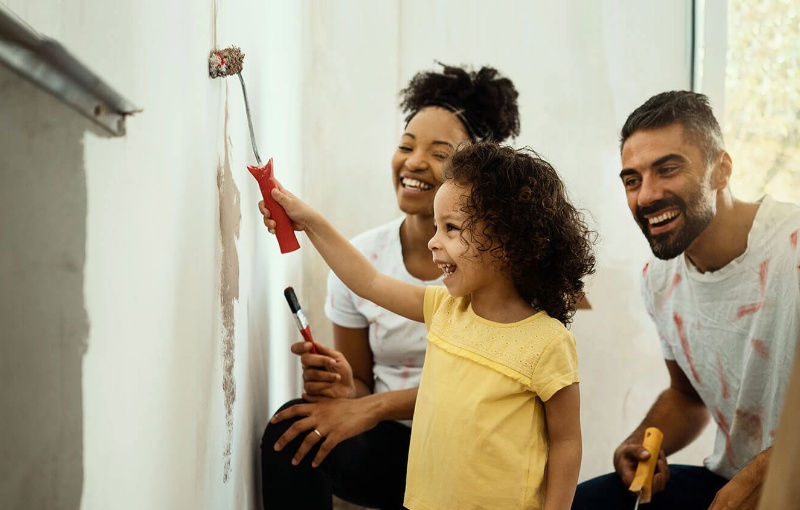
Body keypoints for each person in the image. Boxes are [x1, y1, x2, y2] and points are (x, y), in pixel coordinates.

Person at [261, 141, 596, 509]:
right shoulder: (444, 308)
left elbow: (566, 442)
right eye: (437, 227)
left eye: (450, 228)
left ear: (507, 241)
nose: (434, 242)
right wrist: (310, 222)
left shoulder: (548, 342)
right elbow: (368, 282)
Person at [261, 63, 521, 510]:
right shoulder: (364, 258)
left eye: (440, 153)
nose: (415, 162)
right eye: (406, 146)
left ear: (477, 173)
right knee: (291, 430)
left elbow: (482, 390)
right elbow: (362, 365)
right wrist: (348, 390)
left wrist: (372, 408)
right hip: (395, 446)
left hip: (473, 447)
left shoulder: (498, 267)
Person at [572, 91, 800, 509]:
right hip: (731, 482)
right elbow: (688, 397)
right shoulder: (659, 278)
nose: (646, 196)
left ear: (721, 170)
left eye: (668, 169)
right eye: (632, 180)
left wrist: (757, 482)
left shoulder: (793, 247)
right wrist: (641, 440)